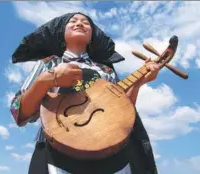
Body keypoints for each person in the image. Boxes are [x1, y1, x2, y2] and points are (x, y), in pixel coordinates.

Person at [10, 12, 159, 174]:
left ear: (92, 36)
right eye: (72, 21)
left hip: (106, 152)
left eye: (86, 23)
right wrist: (47, 79)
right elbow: (20, 113)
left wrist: (138, 84)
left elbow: (121, 113)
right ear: (62, 33)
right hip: (56, 150)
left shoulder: (105, 70)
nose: (79, 23)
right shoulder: (49, 63)